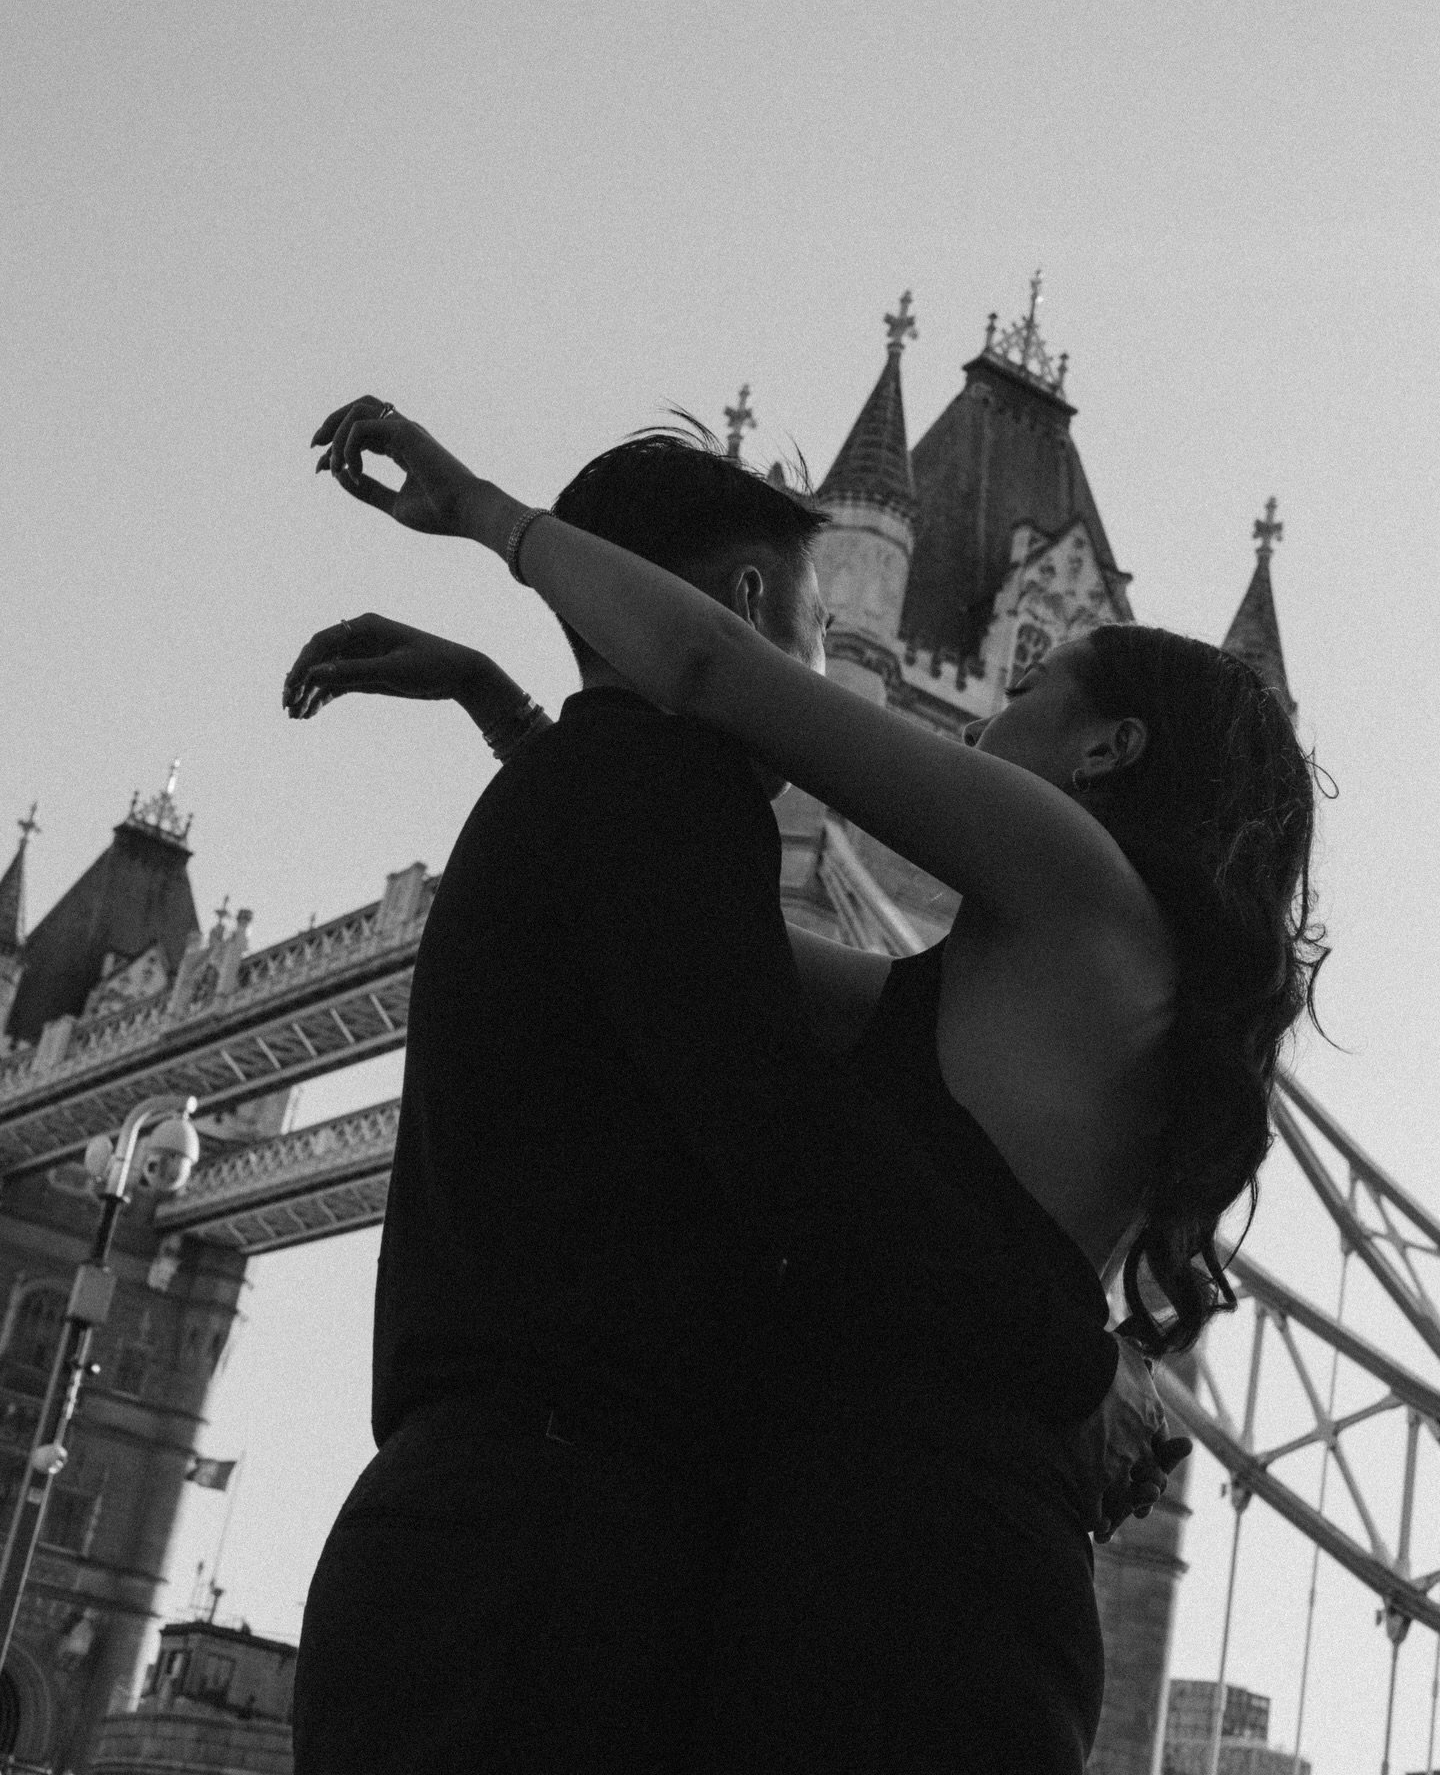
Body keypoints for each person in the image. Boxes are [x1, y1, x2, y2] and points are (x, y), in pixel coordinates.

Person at [297, 395, 1322, 1772]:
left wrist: (487, 515)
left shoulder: (1080, 881)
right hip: (865, 1541)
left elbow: (714, 670)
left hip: (917, 1570)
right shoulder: (1015, 980)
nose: (975, 720)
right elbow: (711, 949)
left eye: (1025, 689)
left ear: (1108, 749)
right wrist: (528, 725)